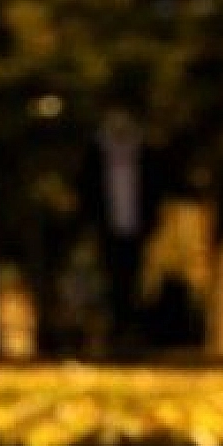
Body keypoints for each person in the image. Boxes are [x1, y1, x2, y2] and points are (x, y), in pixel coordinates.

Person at [76, 108, 167, 354]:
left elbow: (154, 193)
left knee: (133, 284)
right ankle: (113, 334)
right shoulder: (96, 157)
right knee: (109, 283)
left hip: (136, 231)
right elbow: (87, 194)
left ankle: (130, 334)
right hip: (107, 231)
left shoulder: (145, 156)